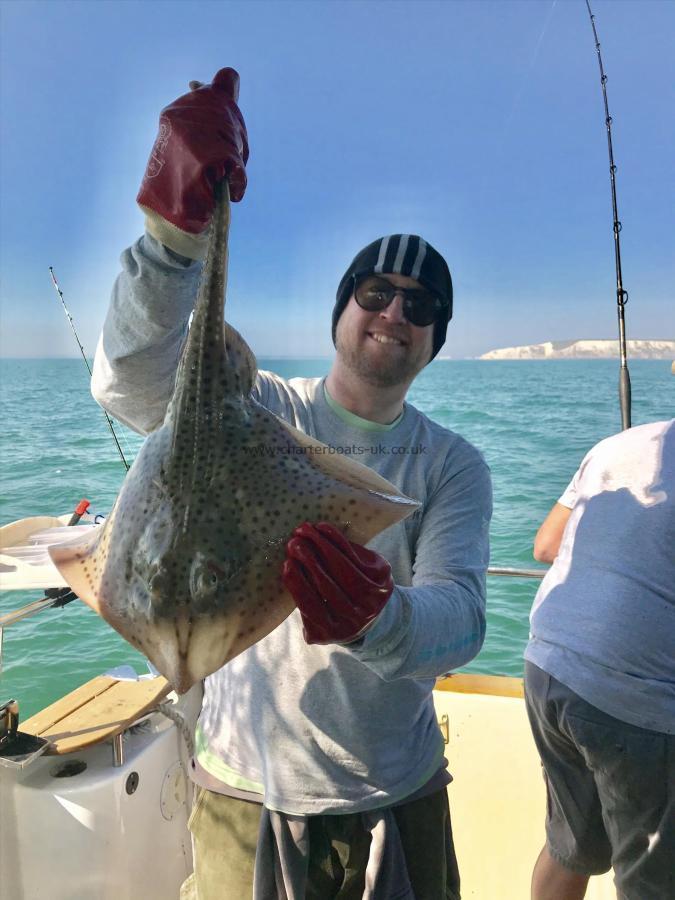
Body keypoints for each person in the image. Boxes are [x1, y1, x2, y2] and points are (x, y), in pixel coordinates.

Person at [92, 68, 492, 899]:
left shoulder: (451, 465)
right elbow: (132, 382)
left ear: (435, 340)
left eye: (420, 307)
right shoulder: (260, 407)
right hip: (247, 788)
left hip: (396, 787)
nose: (393, 312)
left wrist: (376, 618)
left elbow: (460, 624)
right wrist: (173, 240)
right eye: (375, 292)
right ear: (341, 310)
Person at [524, 420, 675, 900]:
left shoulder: (618, 444)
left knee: (573, 846)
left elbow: (546, 545)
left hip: (548, 664)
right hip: (633, 694)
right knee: (653, 878)